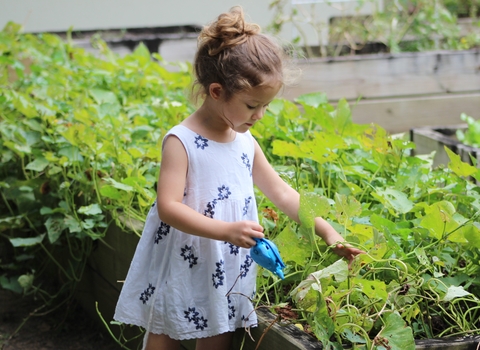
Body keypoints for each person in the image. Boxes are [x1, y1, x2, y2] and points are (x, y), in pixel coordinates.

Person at [113, 6, 364, 350]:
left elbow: (284, 194)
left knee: (219, 335)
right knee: (165, 333)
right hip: (187, 259)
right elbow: (168, 207)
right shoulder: (182, 141)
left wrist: (328, 232)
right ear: (216, 92)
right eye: (251, 106)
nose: (259, 115)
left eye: (265, 106)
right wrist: (226, 231)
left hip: (227, 266)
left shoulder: (245, 142)